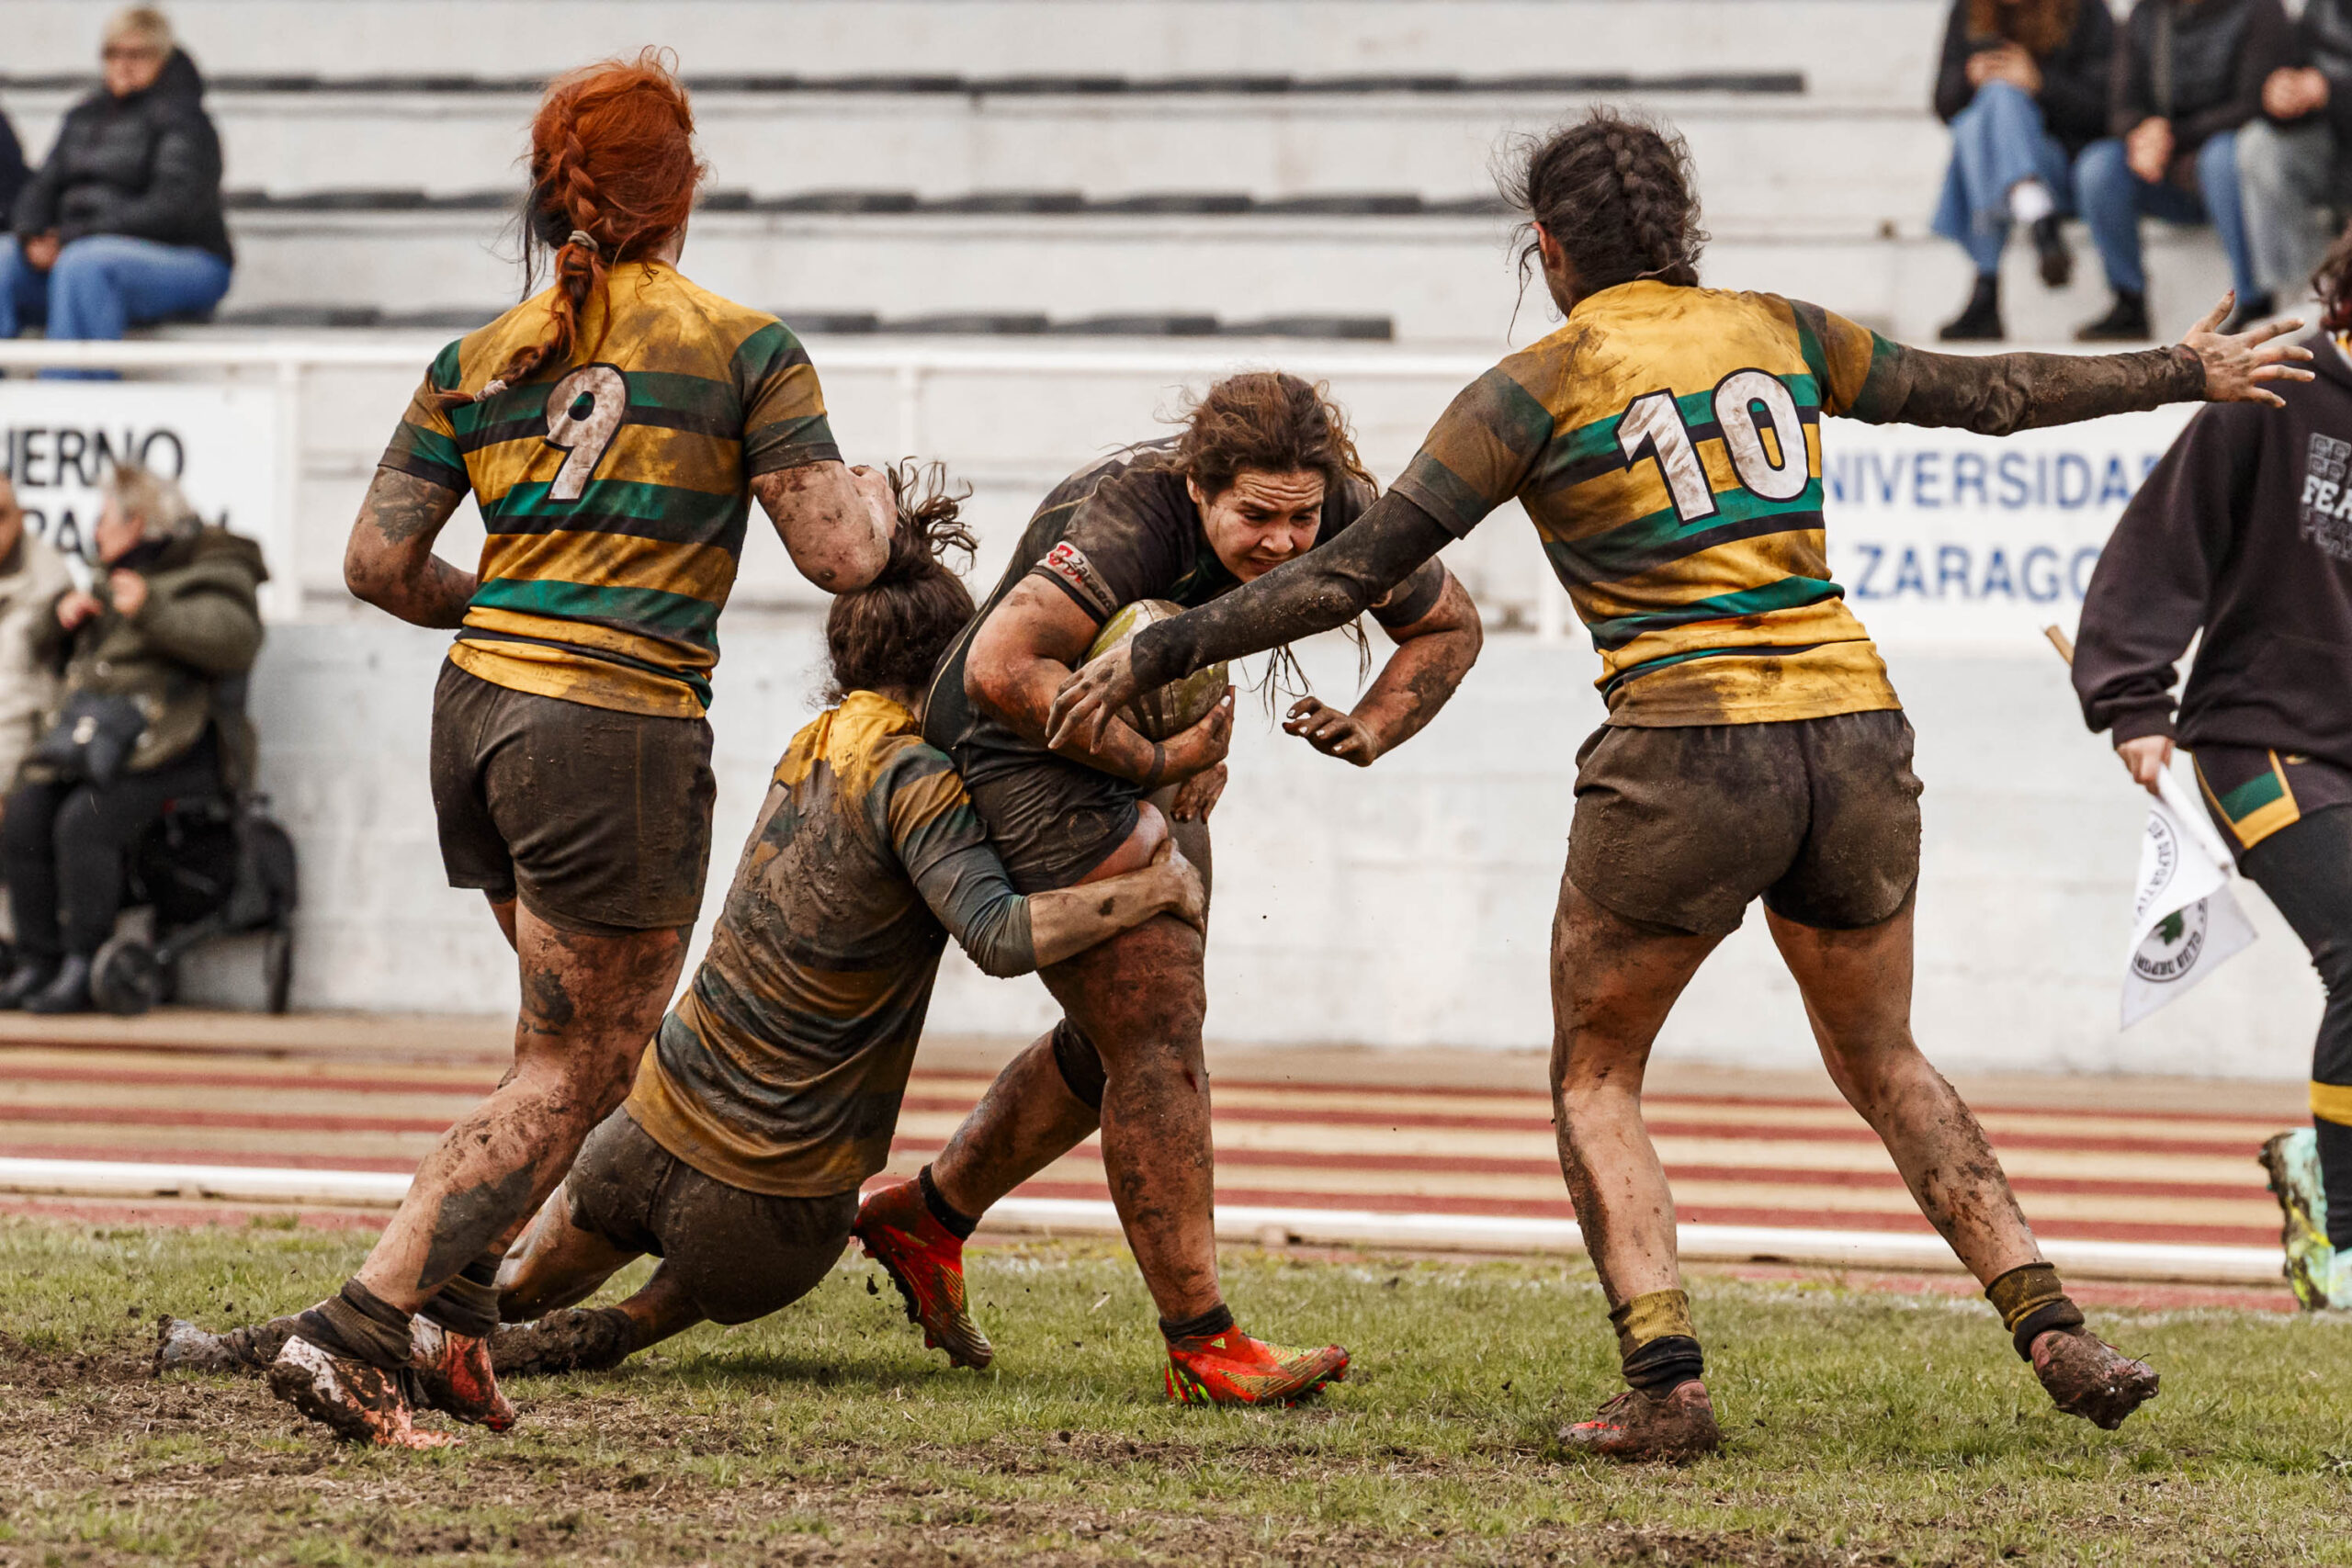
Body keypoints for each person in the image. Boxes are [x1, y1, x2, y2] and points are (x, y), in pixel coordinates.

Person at [1047, 109, 2312, 1460]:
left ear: (1547, 244)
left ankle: (1668, 1379)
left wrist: (1166, 643)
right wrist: (2179, 363)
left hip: (1685, 748)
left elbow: (1351, 572)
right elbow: (1984, 393)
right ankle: (2051, 1317)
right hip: (1854, 730)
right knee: (1884, 1054)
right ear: (1681, 232)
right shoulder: (1781, 329)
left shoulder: (1532, 387)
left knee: (1597, 1067)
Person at [155, 468, 1209, 1394]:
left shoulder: (817, 738)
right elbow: (999, 932)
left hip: (643, 1131)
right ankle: (544, 1344)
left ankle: (269, 1343)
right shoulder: (925, 778)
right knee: (598, 1333)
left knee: (492, 1292)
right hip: (769, 1202)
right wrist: (1149, 884)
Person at [268, 51, 897, 1450]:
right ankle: (357, 1328)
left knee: (557, 1051)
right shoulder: (743, 345)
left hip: (479, 715)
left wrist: (497, 603)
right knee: (576, 1067)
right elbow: (845, 556)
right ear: (682, 196)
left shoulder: (476, 357)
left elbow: (377, 561)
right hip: (610, 732)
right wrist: (884, 495)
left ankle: (452, 1319)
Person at [848, 370, 1484, 1406]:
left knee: (1128, 1036)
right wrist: (1160, 761)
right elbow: (1003, 670)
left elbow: (1449, 626)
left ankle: (927, 1216)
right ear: (1198, 487)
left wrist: (1371, 726)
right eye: (1255, 518)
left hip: (1148, 744)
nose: (1283, 544)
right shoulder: (1129, 518)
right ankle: (1202, 1340)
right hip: (1018, 744)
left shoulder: (1345, 512)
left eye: (1301, 519)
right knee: (1156, 1025)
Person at [2073, 223, 2352, 1311]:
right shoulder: (2280, 391)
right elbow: (2160, 542)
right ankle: (2341, 1236)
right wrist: (2133, 699)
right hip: (2258, 740)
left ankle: (2316, 1167)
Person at [0, 462, 263, 1014]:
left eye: (104, 520)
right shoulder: (107, 577)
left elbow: (234, 641)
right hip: (106, 743)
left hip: (181, 747)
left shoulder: (214, 567)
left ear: (136, 522)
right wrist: (61, 619)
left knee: (82, 822)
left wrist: (151, 608)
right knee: (26, 813)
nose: (95, 532)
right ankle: (38, 960)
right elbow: (54, 652)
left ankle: (83, 963)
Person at [1, 8, 233, 360]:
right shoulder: (83, 116)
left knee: (86, 265)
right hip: (78, 248)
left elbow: (173, 208)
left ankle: (76, 398)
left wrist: (73, 237)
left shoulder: (187, 122)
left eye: (136, 54)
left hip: (187, 259)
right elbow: (42, 186)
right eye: (113, 53)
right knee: (5, 259)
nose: (123, 64)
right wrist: (32, 234)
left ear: (162, 57)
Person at [2074, 0, 2293, 342]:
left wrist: (2173, 137)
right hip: (2164, 169)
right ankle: (2129, 302)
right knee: (2099, 165)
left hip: (2226, 172)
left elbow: (2255, 103)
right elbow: (2120, 105)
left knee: (2225, 156)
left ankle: (2254, 302)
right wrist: (2142, 133)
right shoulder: (2146, 14)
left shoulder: (2260, 9)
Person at [1931, 0, 2117, 341]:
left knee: (1985, 116)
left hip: (2065, 167)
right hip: (1995, 165)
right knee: (1976, 122)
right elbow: (1942, 104)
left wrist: (2039, 84)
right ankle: (2035, 209)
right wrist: (1969, 79)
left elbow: (2109, 112)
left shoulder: (2086, 11)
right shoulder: (1967, 11)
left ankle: (1987, 286)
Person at [2236, 0, 2352, 315]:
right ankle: (2308, 297)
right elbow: (2297, 62)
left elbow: (2326, 86)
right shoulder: (2323, 7)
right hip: (2333, 143)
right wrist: (2282, 92)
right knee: (2258, 146)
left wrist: (2331, 90)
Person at [0, 478, 76, 796]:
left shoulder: (50, 582)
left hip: (17, 762)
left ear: (22, 516)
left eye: (1, 515)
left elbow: (17, 702)